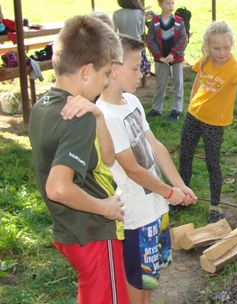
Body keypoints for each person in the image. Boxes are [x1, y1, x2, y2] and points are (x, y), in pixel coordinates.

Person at [28, 15, 129, 303]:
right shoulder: (78, 118)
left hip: (68, 231)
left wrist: (97, 114)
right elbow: (58, 187)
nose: (106, 80)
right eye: (105, 73)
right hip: (94, 232)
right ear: (87, 71)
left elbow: (106, 158)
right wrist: (106, 209)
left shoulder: (43, 107)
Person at [96, 34, 197, 304]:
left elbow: (156, 147)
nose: (142, 71)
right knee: (136, 280)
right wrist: (168, 192)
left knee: (150, 276)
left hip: (156, 208)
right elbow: (133, 169)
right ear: (114, 69)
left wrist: (179, 185)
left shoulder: (132, 102)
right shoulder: (105, 115)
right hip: (136, 216)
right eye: (136, 66)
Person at [178, 20, 237, 223]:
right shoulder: (205, 60)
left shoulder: (235, 69)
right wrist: (191, 102)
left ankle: (215, 206)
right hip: (193, 116)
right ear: (207, 46)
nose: (222, 52)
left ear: (231, 45)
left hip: (214, 123)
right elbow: (199, 79)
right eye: (216, 48)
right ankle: (183, 195)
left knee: (213, 164)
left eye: (226, 47)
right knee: (185, 156)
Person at [146, 0, 188, 121]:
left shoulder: (179, 21)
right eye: (167, 3)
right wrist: (159, 56)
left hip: (176, 58)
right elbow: (151, 40)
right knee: (161, 84)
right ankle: (156, 108)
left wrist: (173, 53)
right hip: (161, 59)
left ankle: (176, 109)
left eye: (172, 3)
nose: (171, 6)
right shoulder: (154, 22)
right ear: (160, 4)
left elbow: (183, 39)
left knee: (178, 83)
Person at [113, 0, 151, 85]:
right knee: (137, 66)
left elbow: (114, 31)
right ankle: (139, 82)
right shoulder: (140, 13)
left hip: (124, 45)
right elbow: (141, 31)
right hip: (137, 44)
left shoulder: (117, 13)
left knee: (125, 66)